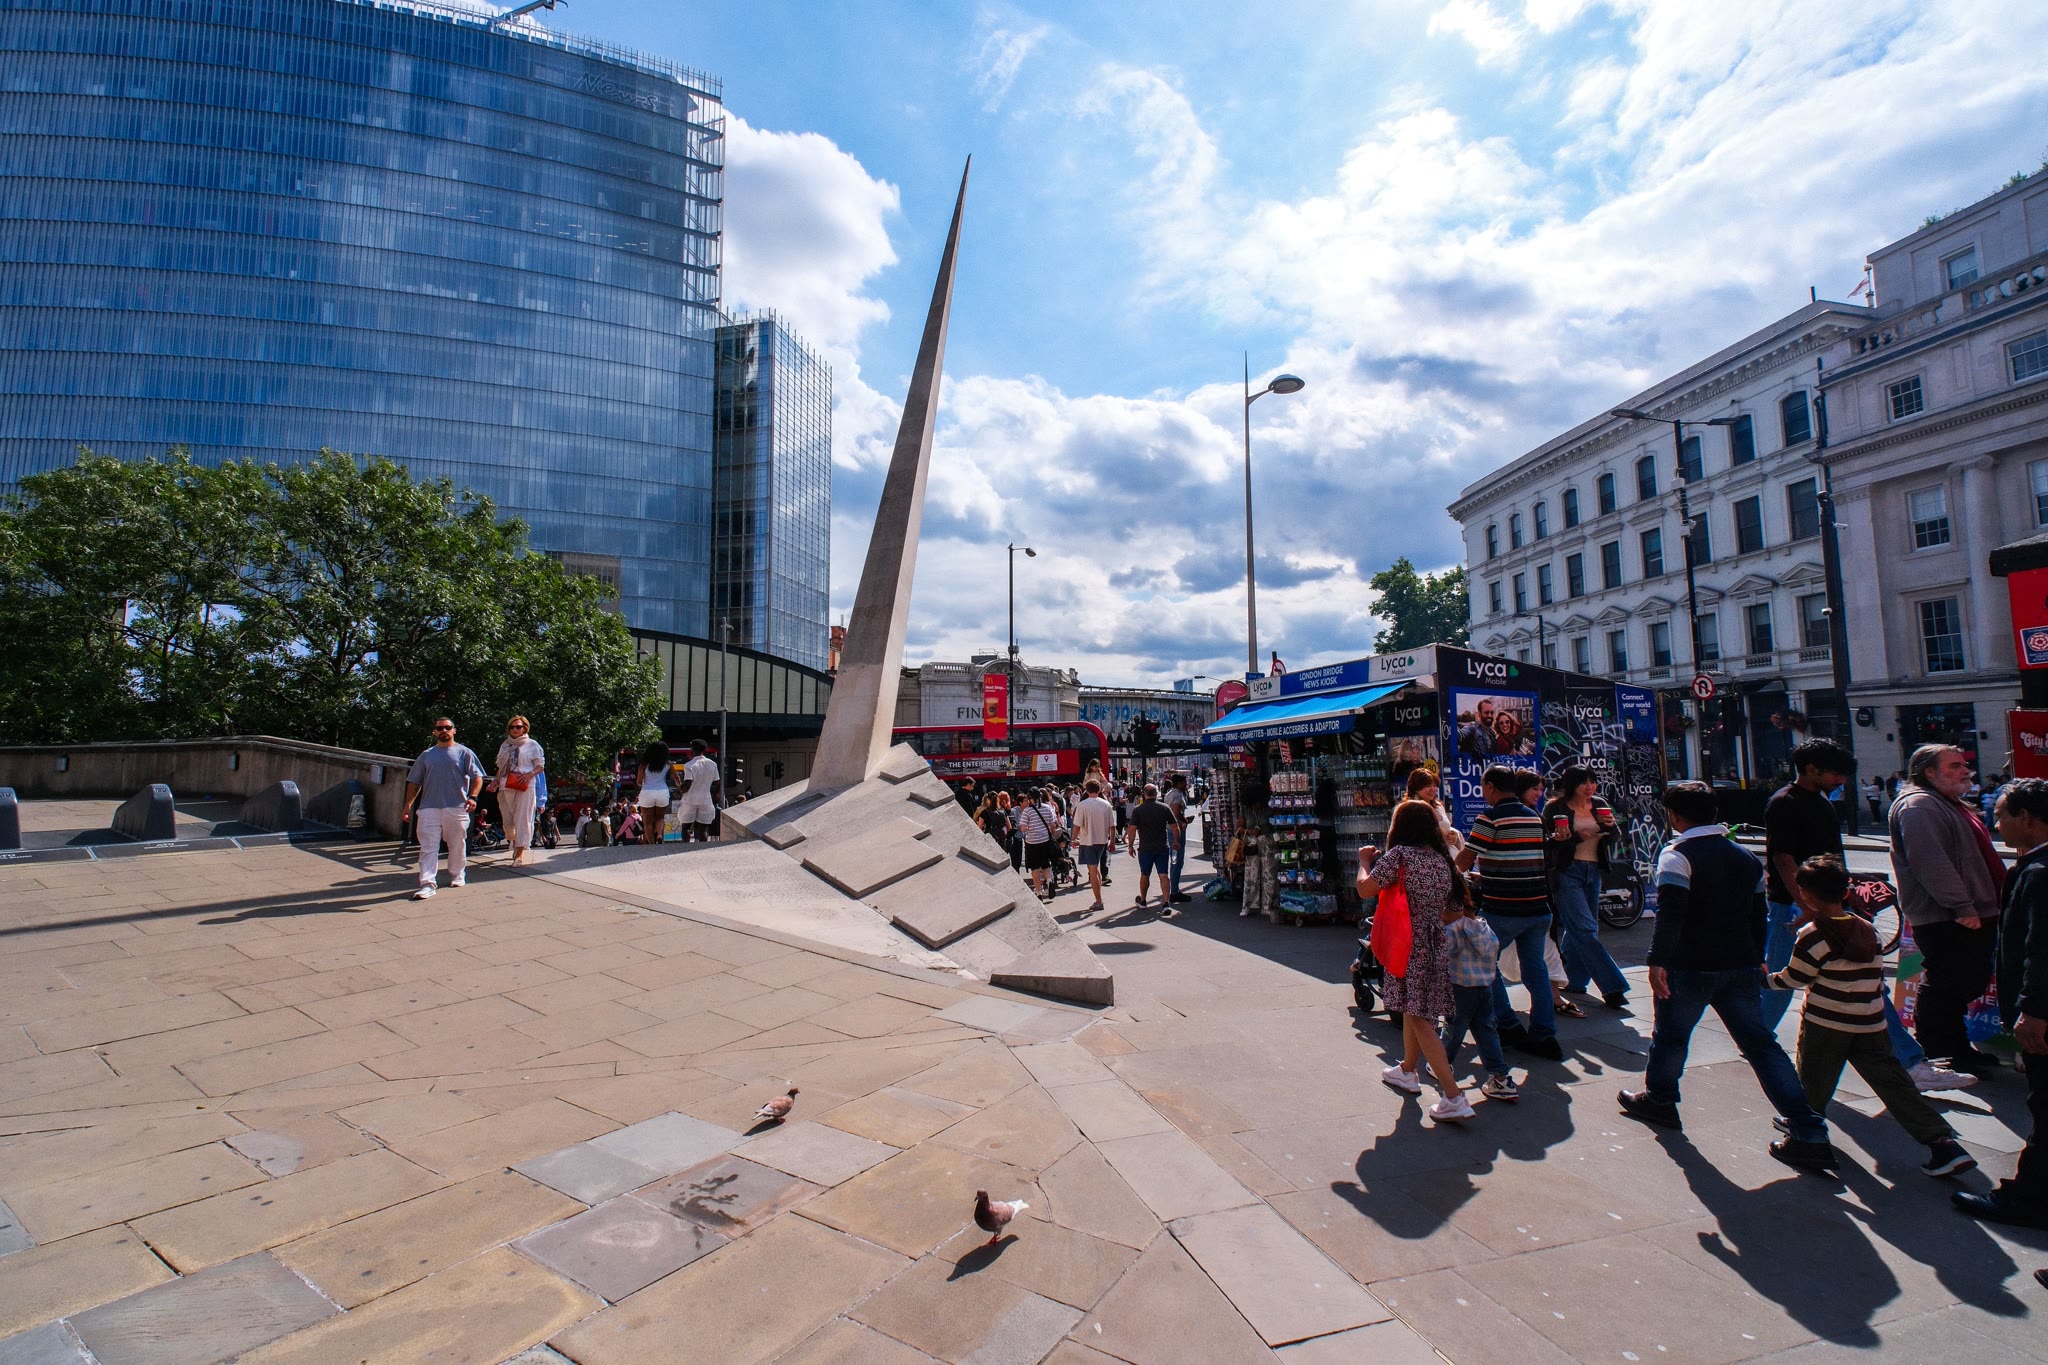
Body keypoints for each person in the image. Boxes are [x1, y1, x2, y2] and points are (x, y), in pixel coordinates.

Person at [1619, 781, 1838, 1173]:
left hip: (1691, 965)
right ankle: (1808, 1130)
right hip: (1740, 965)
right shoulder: (1745, 857)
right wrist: (1757, 957)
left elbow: (1671, 915)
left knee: (1671, 1037)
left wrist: (1657, 961)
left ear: (1675, 816)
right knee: (1762, 1045)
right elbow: (1758, 914)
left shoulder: (1677, 855)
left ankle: (1660, 1099)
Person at [1771, 855, 1975, 1178]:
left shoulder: (1812, 933)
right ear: (1845, 892)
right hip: (1871, 1022)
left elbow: (1796, 978)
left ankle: (1806, 1138)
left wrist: (1766, 979)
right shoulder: (1868, 930)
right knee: (1894, 1084)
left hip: (1827, 1024)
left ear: (1806, 895)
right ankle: (1943, 1144)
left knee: (1812, 1081)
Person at [1955, 779, 2048, 1228]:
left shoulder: (2039, 873)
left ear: (2026, 818)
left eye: (2002, 815)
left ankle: (2029, 1200)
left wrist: (2034, 1009)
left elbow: (2041, 949)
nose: (1996, 825)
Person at [1891, 744, 2004, 1077]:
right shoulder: (1919, 805)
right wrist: (1961, 906)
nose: (1964, 770)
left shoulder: (1946, 802)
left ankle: (1955, 1047)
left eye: (1963, 764)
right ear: (1929, 772)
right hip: (1947, 915)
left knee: (1963, 981)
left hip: (1969, 911)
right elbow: (1930, 862)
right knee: (1949, 982)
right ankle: (1938, 1051)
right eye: (1954, 765)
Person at [1358, 800, 1475, 1122]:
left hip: (1405, 943)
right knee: (1415, 1008)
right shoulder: (1441, 861)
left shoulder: (1399, 857)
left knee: (1421, 1017)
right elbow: (1454, 912)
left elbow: (1365, 890)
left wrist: (1364, 861)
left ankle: (1453, 1096)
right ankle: (1408, 1070)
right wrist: (1427, 916)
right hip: (1434, 942)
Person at [1457, 765, 1561, 1060]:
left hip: (1503, 909)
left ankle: (1508, 1024)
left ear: (1491, 786)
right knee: (1536, 970)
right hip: (1537, 907)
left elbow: (1465, 859)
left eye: (1483, 787)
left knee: (1482, 963)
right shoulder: (1533, 817)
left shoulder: (1489, 818)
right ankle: (1544, 1034)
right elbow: (1522, 857)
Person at [1759, 739, 1856, 1028]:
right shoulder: (1784, 802)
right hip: (1792, 905)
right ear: (1812, 769)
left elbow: (1833, 856)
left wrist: (1847, 892)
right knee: (1780, 978)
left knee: (1857, 972)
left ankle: (1902, 1048)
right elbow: (1783, 859)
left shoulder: (1823, 803)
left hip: (1828, 903)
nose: (1841, 780)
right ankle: (1758, 1039)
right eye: (1836, 773)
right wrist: (1807, 906)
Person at [1542, 766, 1630, 1011]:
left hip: (1594, 870)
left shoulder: (1599, 804)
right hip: (1567, 871)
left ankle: (1575, 980)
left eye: (1593, 781)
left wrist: (1610, 826)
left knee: (1581, 929)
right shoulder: (1555, 808)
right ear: (1572, 784)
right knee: (1584, 928)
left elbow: (1614, 837)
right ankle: (1613, 987)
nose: (1590, 787)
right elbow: (1548, 843)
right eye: (1584, 782)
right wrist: (1577, 836)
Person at [1440, 871, 1519, 1105]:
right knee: (1486, 1031)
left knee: (1452, 1030)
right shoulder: (1485, 928)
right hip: (1484, 989)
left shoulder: (1454, 929)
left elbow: (1440, 953)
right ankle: (1501, 1077)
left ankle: (1441, 1064)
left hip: (1459, 988)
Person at [402, 717, 485, 900]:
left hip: (457, 807)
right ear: (434, 732)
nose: (444, 730)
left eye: (448, 727)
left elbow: (477, 777)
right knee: (428, 847)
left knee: (456, 843)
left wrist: (473, 797)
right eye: (440, 728)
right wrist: (407, 806)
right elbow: (414, 782)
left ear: (454, 730)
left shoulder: (464, 752)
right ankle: (427, 883)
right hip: (429, 807)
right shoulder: (426, 755)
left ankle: (457, 873)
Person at [491, 715, 545, 868]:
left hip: (525, 786)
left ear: (524, 728)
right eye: (512, 727)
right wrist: (496, 780)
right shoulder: (505, 745)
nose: (515, 729)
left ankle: (519, 852)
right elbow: (501, 767)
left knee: (522, 819)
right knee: (508, 821)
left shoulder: (532, 745)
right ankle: (514, 841)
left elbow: (540, 766)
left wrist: (529, 775)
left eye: (518, 727)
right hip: (505, 785)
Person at [1126, 783, 1175, 913]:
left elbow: (1132, 829)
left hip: (1145, 847)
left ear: (1144, 794)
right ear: (1156, 794)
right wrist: (1176, 841)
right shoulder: (1164, 808)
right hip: (1162, 847)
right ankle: (1166, 903)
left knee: (1145, 874)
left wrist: (1130, 845)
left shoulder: (1138, 810)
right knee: (1163, 874)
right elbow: (1174, 826)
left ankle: (1143, 900)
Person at [1074, 779, 1117, 913]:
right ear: (1099, 790)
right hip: (1102, 840)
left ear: (1086, 791)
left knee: (1092, 870)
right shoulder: (1106, 804)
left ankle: (1098, 901)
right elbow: (1112, 826)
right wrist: (1112, 841)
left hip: (1088, 840)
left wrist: (1073, 839)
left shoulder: (1082, 805)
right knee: (1095, 868)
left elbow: (1077, 825)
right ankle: (1099, 898)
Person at [1017, 785, 1063, 901]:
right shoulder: (1047, 808)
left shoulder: (1027, 811)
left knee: (1035, 869)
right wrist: (1049, 834)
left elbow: (1023, 828)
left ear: (1030, 798)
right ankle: (1049, 881)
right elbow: (1053, 825)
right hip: (1045, 841)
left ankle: (1038, 892)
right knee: (1045, 865)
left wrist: (1029, 828)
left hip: (1032, 843)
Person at [677, 739, 721, 842]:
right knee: (703, 829)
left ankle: (685, 847)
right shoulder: (712, 764)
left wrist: (679, 791)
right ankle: (702, 848)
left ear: (693, 749)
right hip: (705, 799)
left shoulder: (689, 765)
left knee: (686, 827)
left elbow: (688, 783)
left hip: (690, 800)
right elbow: (717, 782)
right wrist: (715, 794)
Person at [1163, 773, 1192, 904]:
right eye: (1184, 782)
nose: (1186, 785)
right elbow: (1176, 812)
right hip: (1177, 829)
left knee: (1173, 859)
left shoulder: (1169, 793)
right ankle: (1174, 892)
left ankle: (1173, 889)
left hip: (1169, 828)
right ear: (1179, 783)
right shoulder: (1178, 795)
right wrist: (1184, 820)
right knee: (1178, 861)